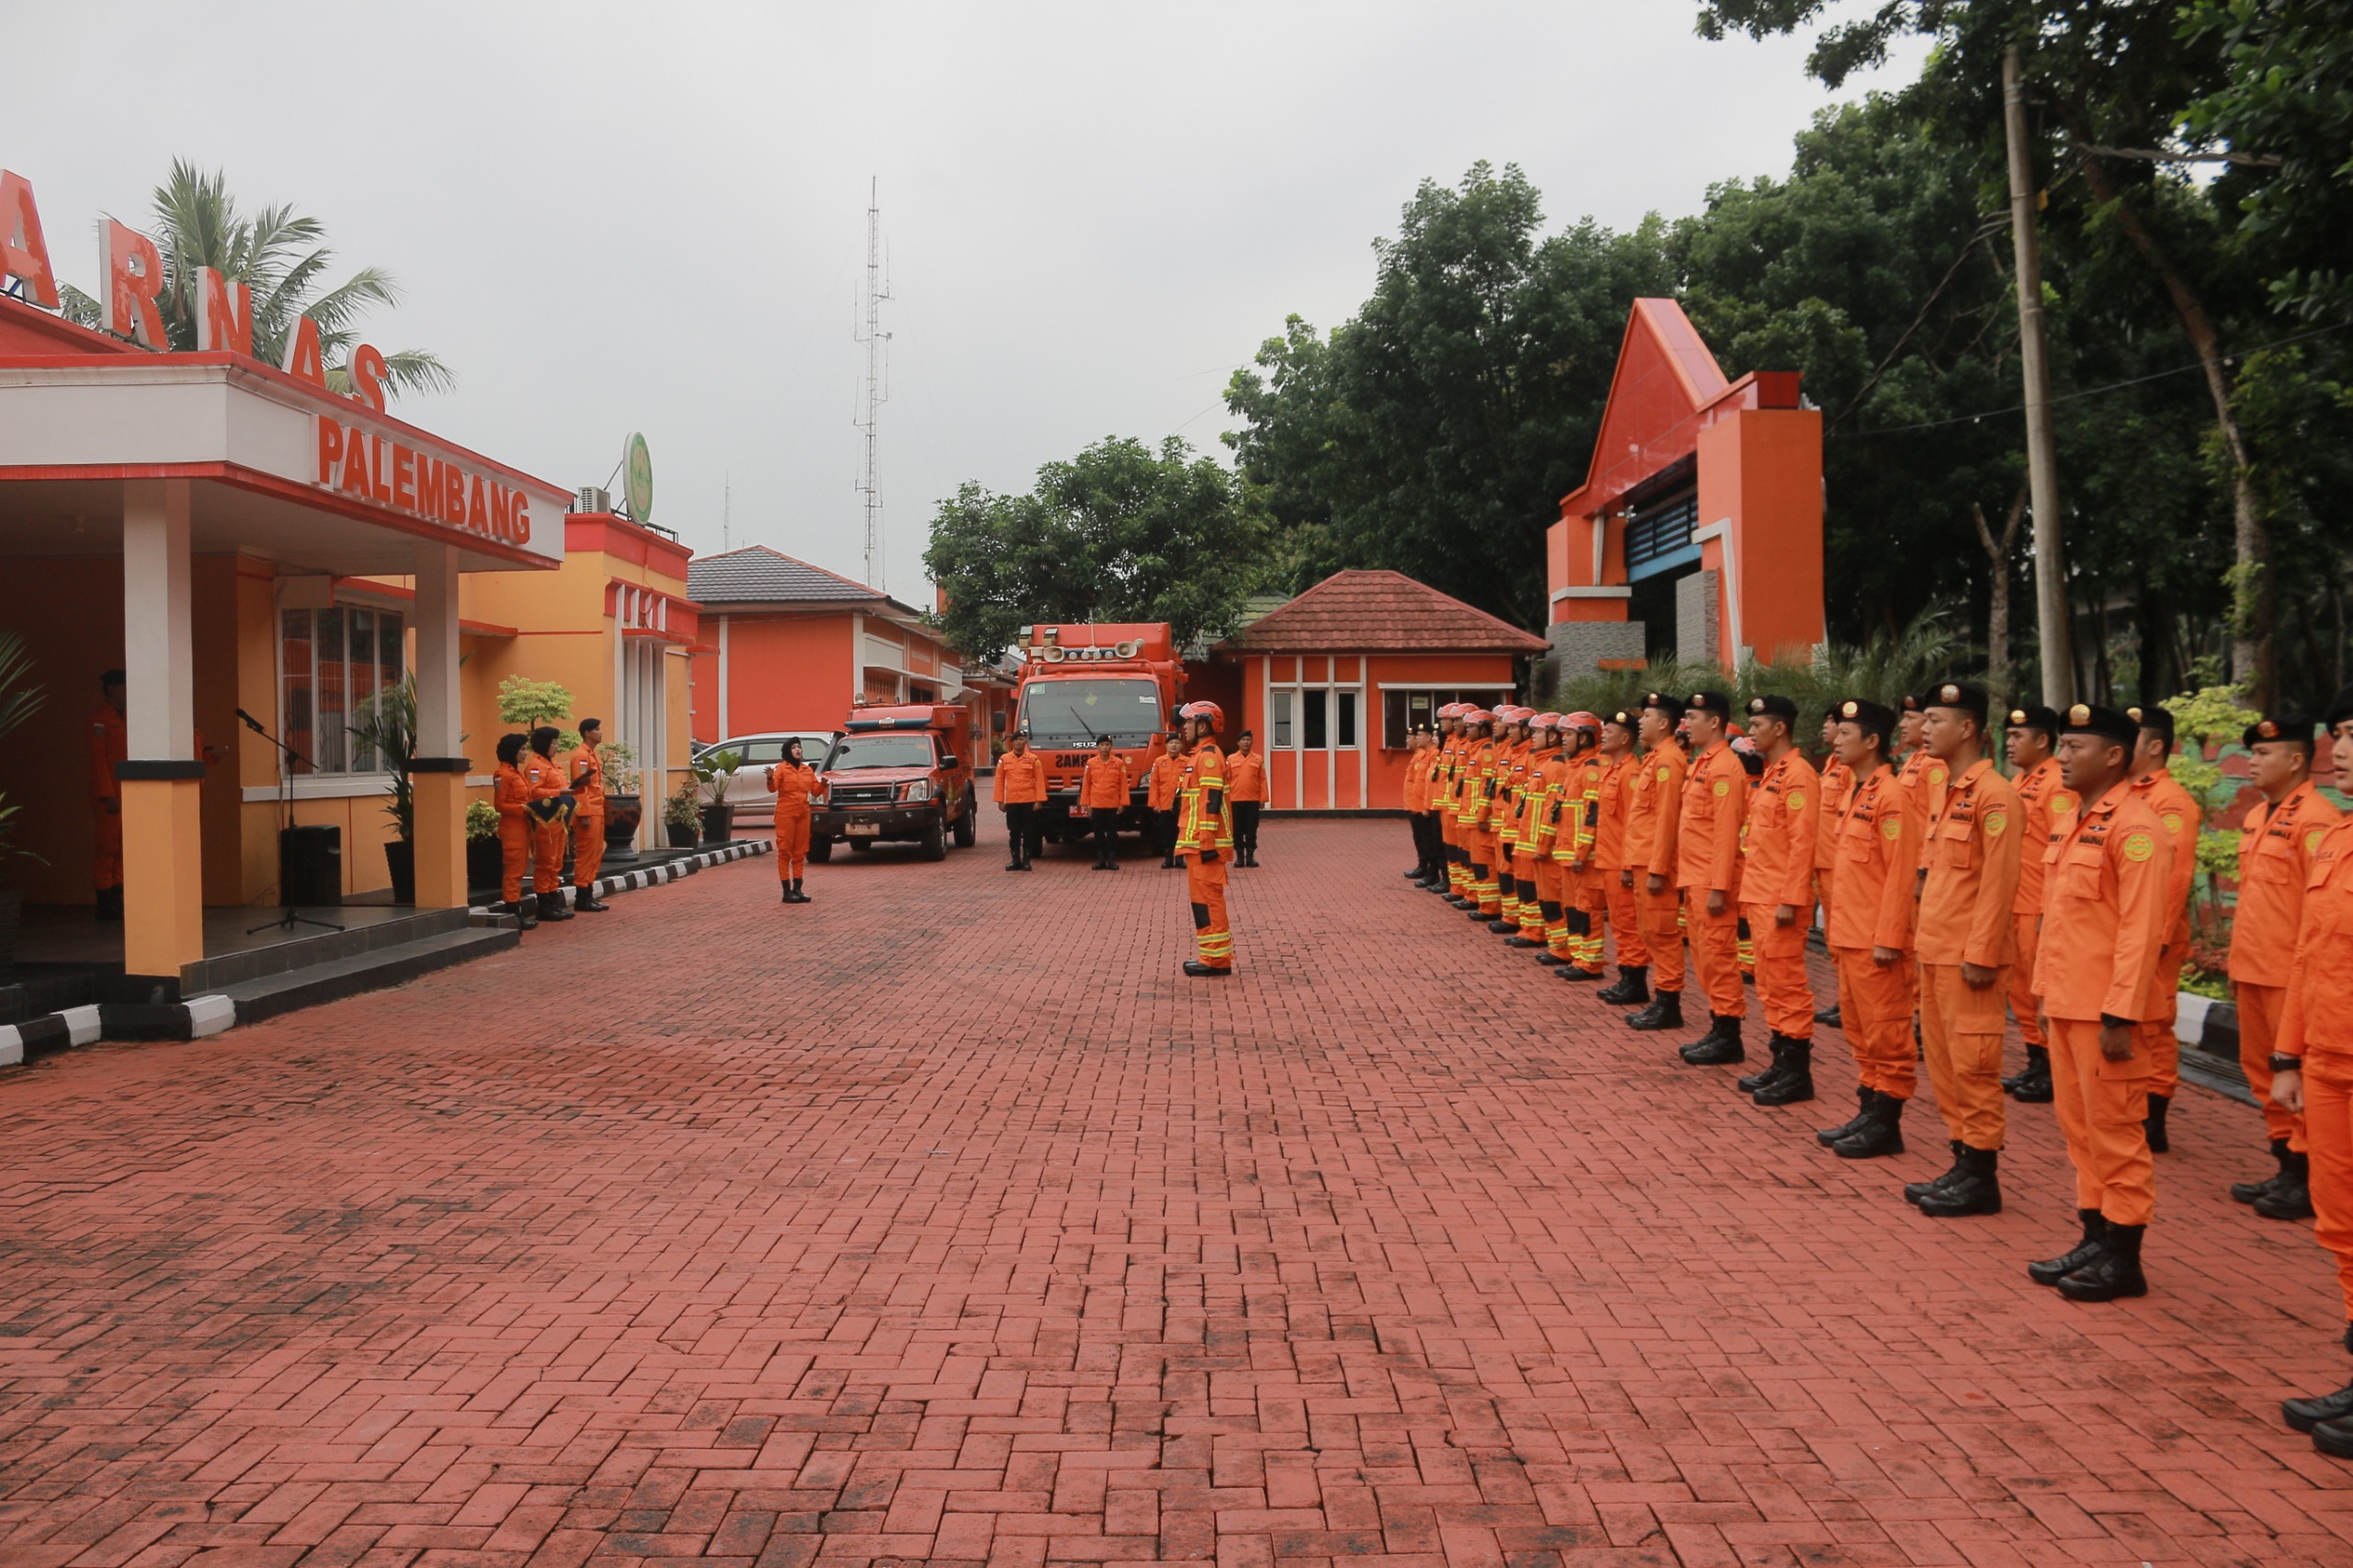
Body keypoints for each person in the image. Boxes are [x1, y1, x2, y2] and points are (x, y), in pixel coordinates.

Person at [2025, 702, 2173, 1301]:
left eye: (2075, 746)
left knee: (2115, 1130)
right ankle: (2094, 1233)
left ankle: (2124, 1256)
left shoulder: (2135, 828)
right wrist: (2042, 994)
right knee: (2079, 1130)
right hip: (2066, 1002)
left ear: (2114, 755)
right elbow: (2058, 919)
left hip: (2105, 1013)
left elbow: (2141, 932)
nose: (2061, 755)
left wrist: (2120, 1014)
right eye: (2061, 744)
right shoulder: (2074, 821)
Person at [2267, 684, 2353, 1456]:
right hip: (2328, 1061)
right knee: (2341, 1225)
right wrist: (2287, 1055)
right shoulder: (2339, 842)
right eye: (2343, 735)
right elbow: (2307, 955)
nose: (2345, 749)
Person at [1904, 682, 2024, 1217]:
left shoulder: (1995, 794)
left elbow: (1998, 883)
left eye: (1935, 719)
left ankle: (1981, 1176)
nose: (1925, 729)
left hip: (1968, 958)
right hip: (1936, 949)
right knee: (1946, 1066)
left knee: (1974, 1067)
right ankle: (1961, 1160)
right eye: (1924, 720)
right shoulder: (1948, 789)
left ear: (1968, 728)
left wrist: (1982, 951)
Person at [2227, 713, 2338, 1219]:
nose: (2253, 761)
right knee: (2260, 1075)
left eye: (2264, 754)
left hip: (2289, 975)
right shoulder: (2257, 816)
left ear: (2296, 760)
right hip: (2251, 967)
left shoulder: (2317, 820)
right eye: (2252, 753)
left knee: (2297, 1078)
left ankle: (2307, 1171)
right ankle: (2284, 1164)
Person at [1813, 699, 1922, 1159]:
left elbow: (1900, 875)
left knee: (1888, 1033)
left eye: (1846, 734)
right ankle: (1868, 1108)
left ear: (1872, 742)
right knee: (1861, 1031)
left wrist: (1889, 939)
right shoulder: (1859, 791)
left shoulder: (1893, 796)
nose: (1836, 740)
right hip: (1848, 934)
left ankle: (1887, 1123)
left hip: (1876, 940)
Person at [85, 668, 225, 923]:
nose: (129, 692)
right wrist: (107, 794)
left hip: (130, 791)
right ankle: (105, 901)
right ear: (111, 689)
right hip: (111, 794)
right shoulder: (100, 720)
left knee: (125, 849)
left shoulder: (132, 718)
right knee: (107, 848)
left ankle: (118, 898)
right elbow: (98, 762)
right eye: (124, 687)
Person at [1733, 696, 1820, 1105]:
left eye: (1756, 725)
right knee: (1769, 985)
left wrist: (1791, 898)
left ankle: (1797, 1073)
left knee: (1787, 985)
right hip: (1760, 895)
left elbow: (1804, 845)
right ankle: (1781, 1062)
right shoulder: (1774, 774)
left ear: (1779, 729)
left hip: (1780, 900)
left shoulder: (1799, 776)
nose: (1750, 732)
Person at [2127, 703, 2200, 1153]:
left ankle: (2155, 1117)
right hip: (2132, 935)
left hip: (2157, 938)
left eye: (2131, 738)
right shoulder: (2127, 792)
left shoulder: (2171, 802)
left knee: (2154, 1022)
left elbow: (2175, 878)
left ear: (2155, 746)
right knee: (2135, 1023)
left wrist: (2155, 938)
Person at [1673, 691, 1750, 1063]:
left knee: (1718, 958)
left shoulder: (1724, 767)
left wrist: (1720, 886)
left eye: (1691, 717)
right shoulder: (1702, 763)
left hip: (1711, 881)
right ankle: (1718, 1027)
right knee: (1705, 958)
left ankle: (1729, 1035)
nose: (1685, 724)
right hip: (1696, 876)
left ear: (1714, 722)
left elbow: (1725, 832)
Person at [2002, 706, 2075, 1104]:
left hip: (2037, 905)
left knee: (2038, 989)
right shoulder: (2019, 781)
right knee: (2021, 992)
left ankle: (2050, 1068)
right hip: (2016, 902)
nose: (2010, 743)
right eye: (2009, 737)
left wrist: (2049, 911)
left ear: (2043, 740)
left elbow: (2059, 849)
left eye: (2018, 737)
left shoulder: (2056, 785)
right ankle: (2035, 1060)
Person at [1624, 694, 1690, 1031]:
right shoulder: (1654, 759)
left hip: (1654, 864)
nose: (1640, 721)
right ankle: (1660, 999)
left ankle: (1669, 1003)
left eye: (1646, 715)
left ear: (1663, 723)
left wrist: (1658, 868)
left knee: (1663, 934)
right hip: (1641, 859)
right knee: (1650, 932)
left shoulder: (1668, 762)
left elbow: (1667, 819)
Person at [1592, 711, 1650, 1000]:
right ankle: (1626, 978)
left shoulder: (1630, 773)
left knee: (1628, 924)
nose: (1603, 735)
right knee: (1618, 923)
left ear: (1626, 738)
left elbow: (1633, 824)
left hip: (1620, 863)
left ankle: (1636, 983)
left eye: (1609, 731)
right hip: (1608, 859)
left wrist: (1628, 865)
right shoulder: (1612, 770)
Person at [1175, 700, 1233, 975]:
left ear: (1202, 725)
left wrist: (1208, 843)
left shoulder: (1208, 757)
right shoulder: (1199, 756)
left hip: (1204, 846)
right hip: (1197, 845)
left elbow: (1211, 801)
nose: (1183, 728)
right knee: (1201, 903)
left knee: (1209, 901)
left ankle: (1217, 961)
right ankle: (1210, 956)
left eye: (1188, 722)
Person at [1813, 704, 1853, 1028]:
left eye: (1832, 723)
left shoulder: (1849, 768)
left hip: (1841, 865)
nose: (1827, 730)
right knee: (1833, 939)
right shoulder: (1831, 765)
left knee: (1843, 939)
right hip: (1825, 863)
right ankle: (1845, 998)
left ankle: (1850, 1000)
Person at [525, 727, 575, 920]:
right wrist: (559, 792)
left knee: (556, 863)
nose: (556, 746)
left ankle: (554, 901)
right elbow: (534, 792)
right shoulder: (535, 767)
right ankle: (544, 904)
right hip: (544, 819)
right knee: (545, 863)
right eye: (553, 743)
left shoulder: (554, 765)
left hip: (558, 818)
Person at [767, 735, 825, 903]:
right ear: (787, 751)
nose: (798, 750)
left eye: (799, 747)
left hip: (803, 814)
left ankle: (798, 888)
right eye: (793, 747)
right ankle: (786, 891)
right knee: (785, 850)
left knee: (800, 852)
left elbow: (815, 792)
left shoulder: (807, 770)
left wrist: (823, 784)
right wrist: (770, 778)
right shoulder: (782, 769)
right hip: (786, 813)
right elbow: (772, 788)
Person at [491, 733, 540, 927]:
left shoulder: (516, 773)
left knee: (519, 871)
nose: (525, 753)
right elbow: (500, 805)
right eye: (521, 749)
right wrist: (525, 809)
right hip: (512, 829)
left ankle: (516, 910)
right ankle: (513, 912)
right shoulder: (502, 774)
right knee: (513, 872)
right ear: (512, 751)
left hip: (523, 827)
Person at [565, 719, 611, 913]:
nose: (600, 733)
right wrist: (583, 813)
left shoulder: (591, 755)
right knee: (585, 853)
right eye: (596, 730)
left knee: (595, 853)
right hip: (588, 811)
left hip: (597, 809)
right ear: (586, 733)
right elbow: (579, 787)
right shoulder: (581, 757)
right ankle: (582, 895)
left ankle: (588, 892)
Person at [994, 727, 1047, 870]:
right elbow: (999, 780)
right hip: (1012, 801)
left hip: (1028, 801)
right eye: (1016, 740)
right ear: (1012, 743)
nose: (1018, 742)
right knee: (1014, 832)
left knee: (1029, 831)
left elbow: (1040, 780)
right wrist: (1000, 800)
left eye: (1021, 739)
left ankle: (1027, 860)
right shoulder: (1004, 760)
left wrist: (1039, 800)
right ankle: (1015, 860)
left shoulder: (1033, 759)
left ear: (1026, 741)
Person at [1081, 733, 1131, 870]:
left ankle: (1112, 859)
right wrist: (1087, 803)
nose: (1104, 748)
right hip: (1096, 804)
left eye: (1107, 745)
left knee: (1112, 833)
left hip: (1112, 804)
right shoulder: (1091, 764)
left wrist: (1122, 803)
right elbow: (1086, 784)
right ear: (1097, 747)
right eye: (1102, 745)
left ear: (1111, 747)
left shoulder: (1118, 763)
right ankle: (1101, 860)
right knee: (1098, 832)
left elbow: (1123, 785)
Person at [1403, 725, 1438, 883]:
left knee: (1428, 840)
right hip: (1415, 805)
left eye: (1419, 735)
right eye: (1414, 736)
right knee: (1420, 838)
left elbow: (1429, 784)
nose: (1416, 739)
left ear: (1428, 737)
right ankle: (1423, 866)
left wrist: (1425, 805)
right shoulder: (1421, 756)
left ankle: (1431, 871)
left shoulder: (1431, 755)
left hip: (1424, 806)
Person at [1148, 731, 1186, 869]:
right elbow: (1154, 784)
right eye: (1171, 743)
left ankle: (1180, 858)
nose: (1174, 746)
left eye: (1177, 743)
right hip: (1164, 804)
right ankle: (1168, 857)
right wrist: (1154, 803)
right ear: (1166, 745)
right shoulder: (1159, 762)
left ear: (1181, 745)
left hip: (1182, 805)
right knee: (1166, 832)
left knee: (1181, 831)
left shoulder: (1187, 762)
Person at [1229, 730, 1267, 867]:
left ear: (1252, 742)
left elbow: (1262, 779)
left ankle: (1250, 856)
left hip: (1252, 800)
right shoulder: (1231, 759)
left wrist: (1263, 798)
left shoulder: (1258, 759)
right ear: (1238, 743)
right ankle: (1239, 857)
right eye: (1243, 740)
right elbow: (1227, 780)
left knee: (1251, 830)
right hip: (1235, 800)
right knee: (1237, 830)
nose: (1246, 742)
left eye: (1248, 740)